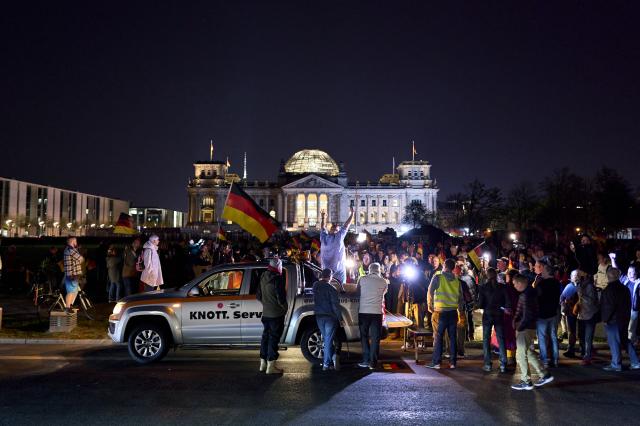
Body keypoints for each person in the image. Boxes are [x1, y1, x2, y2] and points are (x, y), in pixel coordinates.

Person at [511, 274, 554, 391]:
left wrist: (519, 326)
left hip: (525, 328)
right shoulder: (531, 293)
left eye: (514, 283)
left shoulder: (526, 295)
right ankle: (544, 374)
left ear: (520, 283)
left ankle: (526, 381)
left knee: (520, 354)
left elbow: (527, 314)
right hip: (530, 327)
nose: (514, 286)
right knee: (529, 352)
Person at [426, 258, 465, 370]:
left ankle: (436, 362)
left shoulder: (438, 277)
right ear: (453, 268)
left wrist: (430, 305)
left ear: (444, 265)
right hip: (453, 313)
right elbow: (460, 299)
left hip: (440, 313)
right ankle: (453, 363)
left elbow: (430, 291)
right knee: (453, 338)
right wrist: (461, 313)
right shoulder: (457, 281)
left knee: (438, 337)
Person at [256, 258, 288, 374]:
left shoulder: (263, 276)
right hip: (276, 314)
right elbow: (281, 298)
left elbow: (258, 295)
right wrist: (285, 309)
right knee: (273, 339)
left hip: (266, 314)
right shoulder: (278, 279)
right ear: (278, 266)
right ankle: (271, 366)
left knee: (265, 338)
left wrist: (266, 303)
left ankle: (262, 364)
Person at [357, 262, 388, 370]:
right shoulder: (384, 281)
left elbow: (358, 292)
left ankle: (365, 360)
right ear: (379, 270)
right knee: (375, 339)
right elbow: (384, 294)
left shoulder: (362, 279)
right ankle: (373, 363)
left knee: (364, 337)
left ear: (369, 270)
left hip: (363, 312)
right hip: (376, 313)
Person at [600, 268, 633, 372]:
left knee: (614, 343)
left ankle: (616, 364)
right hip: (624, 319)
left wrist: (605, 319)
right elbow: (628, 304)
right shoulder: (625, 288)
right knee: (624, 340)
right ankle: (635, 361)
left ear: (608, 276)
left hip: (613, 321)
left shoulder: (608, 290)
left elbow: (608, 307)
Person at [478, 268, 511, 373]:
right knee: (501, 339)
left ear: (487, 276)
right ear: (496, 275)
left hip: (488, 315)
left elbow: (480, 304)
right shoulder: (503, 287)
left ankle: (487, 364)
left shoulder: (483, 288)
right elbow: (508, 302)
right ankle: (503, 364)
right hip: (499, 315)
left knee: (486, 340)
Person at [313, 268, 343, 371]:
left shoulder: (315, 285)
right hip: (330, 317)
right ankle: (326, 363)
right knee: (328, 340)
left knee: (326, 339)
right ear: (330, 276)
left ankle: (331, 360)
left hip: (319, 316)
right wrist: (340, 318)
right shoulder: (332, 289)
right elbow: (335, 306)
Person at [319, 207, 355, 284]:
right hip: (329, 272)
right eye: (333, 229)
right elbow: (322, 228)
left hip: (336, 272)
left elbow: (346, 225)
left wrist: (352, 214)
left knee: (339, 290)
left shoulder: (336, 237)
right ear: (330, 230)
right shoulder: (327, 237)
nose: (335, 231)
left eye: (336, 230)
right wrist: (323, 218)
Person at [576, 270, 599, 365]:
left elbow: (591, 301)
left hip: (590, 314)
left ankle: (587, 356)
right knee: (583, 336)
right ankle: (587, 353)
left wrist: (581, 295)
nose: (578, 273)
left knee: (588, 337)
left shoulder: (589, 286)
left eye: (580, 271)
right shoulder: (581, 284)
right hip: (582, 314)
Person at [560, 270, 580, 358]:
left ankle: (584, 349)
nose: (575, 277)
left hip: (582, 312)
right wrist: (564, 305)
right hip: (571, 312)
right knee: (571, 331)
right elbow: (562, 298)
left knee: (580, 331)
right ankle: (571, 349)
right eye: (574, 275)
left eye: (577, 275)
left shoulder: (582, 286)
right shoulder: (569, 286)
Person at [63, 237, 84, 314]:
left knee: (74, 291)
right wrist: (80, 252)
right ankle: (67, 307)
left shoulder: (70, 249)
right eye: (75, 241)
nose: (76, 242)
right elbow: (81, 259)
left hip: (73, 275)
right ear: (72, 241)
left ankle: (70, 306)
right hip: (72, 275)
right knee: (71, 292)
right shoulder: (70, 250)